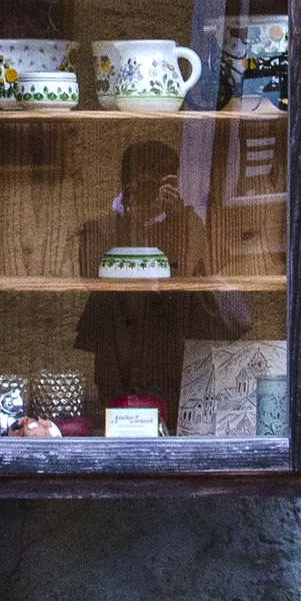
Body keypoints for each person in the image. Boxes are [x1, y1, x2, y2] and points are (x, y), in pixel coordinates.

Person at [72, 140, 249, 421]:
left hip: (171, 341)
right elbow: (88, 276)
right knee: (115, 410)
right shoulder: (103, 227)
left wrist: (176, 213)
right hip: (116, 340)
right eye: (139, 180)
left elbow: (196, 267)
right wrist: (129, 217)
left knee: (172, 409)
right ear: (124, 182)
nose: (148, 188)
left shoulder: (185, 221)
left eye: (158, 178)